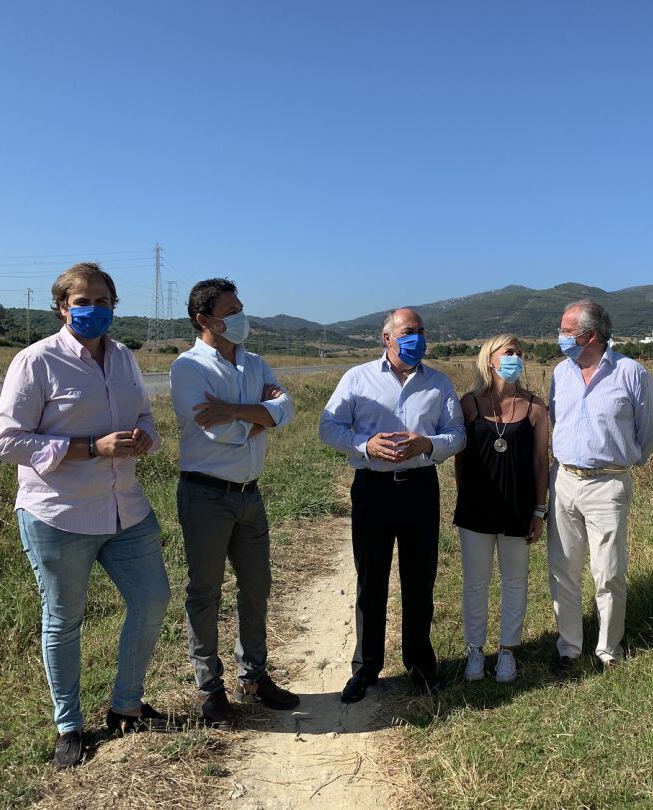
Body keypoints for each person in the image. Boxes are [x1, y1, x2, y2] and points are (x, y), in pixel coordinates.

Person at [0, 262, 172, 768]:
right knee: (64, 620)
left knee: (153, 600)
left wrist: (143, 438)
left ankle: (126, 706)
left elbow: (145, 420)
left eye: (103, 301)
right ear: (62, 306)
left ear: (115, 306)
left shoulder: (125, 360)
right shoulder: (36, 361)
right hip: (58, 514)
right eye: (83, 301)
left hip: (125, 508)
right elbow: (8, 442)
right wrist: (90, 447)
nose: (93, 310)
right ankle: (68, 726)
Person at [318, 307, 466, 703]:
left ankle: (420, 665)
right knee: (371, 579)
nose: (416, 337)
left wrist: (428, 444)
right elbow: (328, 427)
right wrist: (364, 445)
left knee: (419, 580)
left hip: (420, 487)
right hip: (373, 488)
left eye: (421, 330)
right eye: (408, 331)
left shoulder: (438, 382)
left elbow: (458, 434)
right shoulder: (357, 378)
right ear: (387, 338)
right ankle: (366, 667)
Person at [169, 278, 298, 727]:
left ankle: (255, 677)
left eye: (241, 306)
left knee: (256, 586)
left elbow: (288, 409)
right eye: (232, 309)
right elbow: (215, 432)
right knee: (205, 593)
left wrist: (238, 410)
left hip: (249, 494)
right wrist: (260, 416)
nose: (242, 316)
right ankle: (211, 689)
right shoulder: (189, 368)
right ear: (205, 319)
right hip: (206, 494)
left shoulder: (254, 363)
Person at [547, 299, 653, 672]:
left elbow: (651, 428)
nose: (560, 337)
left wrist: (625, 462)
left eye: (566, 331)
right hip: (563, 479)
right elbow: (554, 420)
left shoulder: (631, 373)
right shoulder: (560, 373)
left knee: (608, 570)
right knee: (562, 567)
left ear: (590, 335)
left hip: (608, 484)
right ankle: (569, 647)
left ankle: (608, 649)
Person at [453, 334, 549, 683]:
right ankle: (475, 651)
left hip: (519, 509)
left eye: (521, 354)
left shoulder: (536, 406)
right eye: (509, 352)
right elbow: (460, 460)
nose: (516, 358)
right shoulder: (468, 404)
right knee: (475, 583)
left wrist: (539, 511)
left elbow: (541, 462)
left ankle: (508, 651)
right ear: (490, 360)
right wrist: (466, 497)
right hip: (476, 509)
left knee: (515, 581)